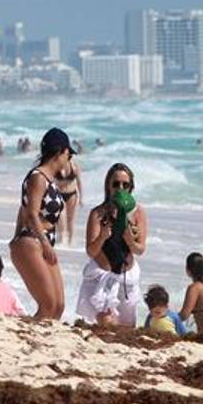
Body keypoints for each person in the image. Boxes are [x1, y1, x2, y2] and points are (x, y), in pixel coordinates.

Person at [10, 128, 73, 319]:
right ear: (60, 152)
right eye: (68, 154)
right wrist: (39, 242)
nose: (69, 159)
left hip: (43, 243)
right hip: (33, 241)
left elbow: (23, 209)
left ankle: (43, 339)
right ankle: (28, 339)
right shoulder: (38, 177)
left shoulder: (50, 180)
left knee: (59, 306)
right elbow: (31, 213)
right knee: (48, 304)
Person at [75, 163, 147, 327]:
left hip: (126, 278)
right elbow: (91, 251)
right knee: (106, 323)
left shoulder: (138, 213)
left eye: (125, 184)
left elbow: (141, 249)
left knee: (127, 327)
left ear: (131, 187)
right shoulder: (98, 213)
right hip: (102, 276)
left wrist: (130, 241)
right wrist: (102, 237)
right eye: (116, 184)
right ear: (108, 186)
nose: (120, 188)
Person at [55, 157, 83, 246]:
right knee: (61, 218)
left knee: (71, 219)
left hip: (72, 194)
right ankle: (61, 239)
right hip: (59, 194)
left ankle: (70, 242)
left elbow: (79, 182)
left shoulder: (74, 166)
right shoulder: (57, 165)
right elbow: (51, 180)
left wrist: (81, 198)